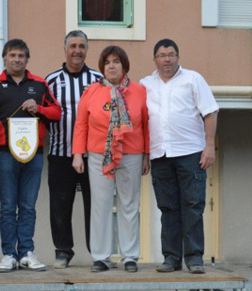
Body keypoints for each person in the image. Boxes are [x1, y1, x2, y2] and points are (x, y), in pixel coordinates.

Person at [140, 39, 218, 274]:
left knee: (193, 206)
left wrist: (210, 145)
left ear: (178, 57)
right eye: (162, 55)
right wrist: (145, 154)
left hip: (191, 153)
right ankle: (171, 258)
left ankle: (194, 259)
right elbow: (140, 121)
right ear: (155, 59)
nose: (167, 59)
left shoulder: (193, 79)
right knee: (168, 207)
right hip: (160, 154)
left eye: (171, 54)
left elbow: (210, 111)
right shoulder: (145, 84)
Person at [0, 39, 61, 273]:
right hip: (4, 153)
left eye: (21, 56)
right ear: (4, 58)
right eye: (12, 55)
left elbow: (56, 112)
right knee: (7, 205)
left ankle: (26, 251)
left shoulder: (39, 84)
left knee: (28, 206)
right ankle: (8, 253)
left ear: (27, 59)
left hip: (34, 153)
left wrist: (40, 109)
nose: (17, 59)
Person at [72, 45, 150, 273]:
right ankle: (101, 257)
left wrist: (146, 154)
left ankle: (130, 257)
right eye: (107, 62)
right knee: (101, 204)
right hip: (98, 156)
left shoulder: (139, 91)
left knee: (129, 204)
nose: (112, 66)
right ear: (102, 67)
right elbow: (81, 125)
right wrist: (78, 154)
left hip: (132, 154)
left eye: (116, 61)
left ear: (124, 66)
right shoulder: (91, 92)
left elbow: (146, 124)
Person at [45, 30, 103, 269]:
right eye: (72, 46)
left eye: (81, 46)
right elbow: (44, 115)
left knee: (96, 205)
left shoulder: (100, 79)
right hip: (60, 153)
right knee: (60, 205)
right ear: (65, 49)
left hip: (95, 155)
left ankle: (98, 252)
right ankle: (63, 251)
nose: (77, 50)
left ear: (87, 50)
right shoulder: (51, 80)